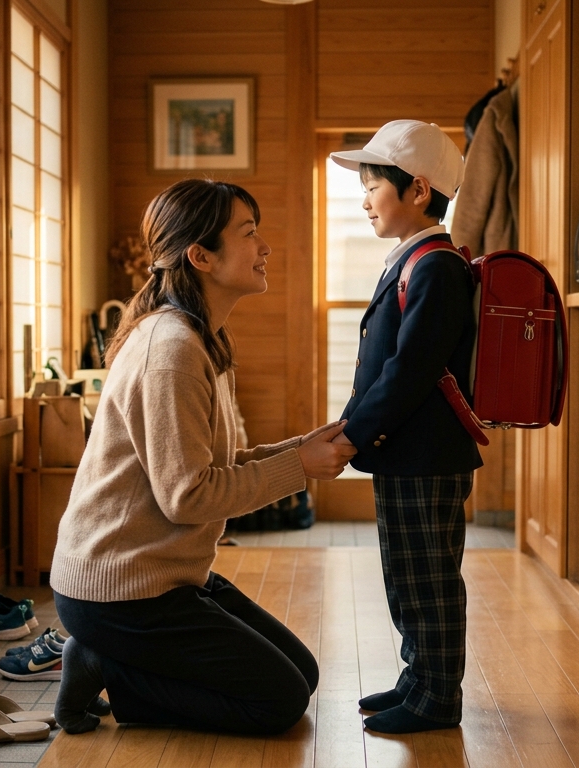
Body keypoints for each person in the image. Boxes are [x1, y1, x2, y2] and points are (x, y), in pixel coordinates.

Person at [50, 179, 358, 735]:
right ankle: (106, 665)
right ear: (200, 256)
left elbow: (218, 462)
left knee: (303, 674)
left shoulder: (201, 338)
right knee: (278, 702)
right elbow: (188, 496)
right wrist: (300, 467)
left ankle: (116, 660)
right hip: (118, 592)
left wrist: (301, 448)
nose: (265, 247)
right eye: (249, 234)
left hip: (161, 578)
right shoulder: (171, 350)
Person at [328, 120, 484, 734]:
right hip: (406, 451)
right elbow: (387, 368)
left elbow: (410, 371)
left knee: (429, 577)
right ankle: (419, 678)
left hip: (426, 453)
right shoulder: (413, 259)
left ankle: (438, 697)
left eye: (372, 187)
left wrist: (352, 433)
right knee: (407, 573)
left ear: (417, 190)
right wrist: (352, 425)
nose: (363, 200)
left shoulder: (436, 265)